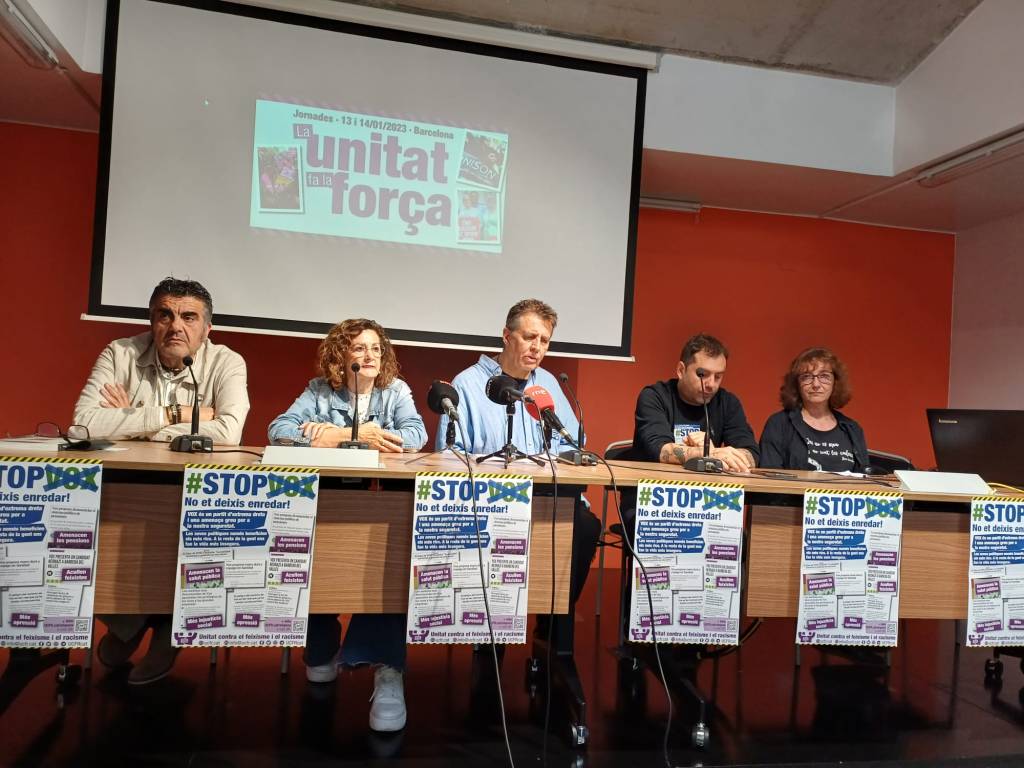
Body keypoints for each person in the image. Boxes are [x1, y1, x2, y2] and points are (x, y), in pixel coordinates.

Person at [73, 277, 250, 685]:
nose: (176, 326)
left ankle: (170, 629)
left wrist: (131, 421)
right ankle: (131, 623)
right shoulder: (120, 353)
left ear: (207, 328)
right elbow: (83, 423)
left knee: (190, 530)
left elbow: (228, 431)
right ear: (151, 320)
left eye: (189, 317)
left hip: (196, 489)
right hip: (127, 485)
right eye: (165, 315)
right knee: (104, 524)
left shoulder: (228, 362)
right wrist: (176, 415)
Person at [268, 318, 427, 732]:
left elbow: (416, 434)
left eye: (376, 348)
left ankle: (386, 666)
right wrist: (343, 434)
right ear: (340, 356)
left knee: (390, 555)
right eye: (359, 348)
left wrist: (348, 435)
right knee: (317, 543)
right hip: (328, 500)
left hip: (382, 499)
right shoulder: (319, 391)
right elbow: (279, 429)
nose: (370, 356)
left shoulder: (395, 391)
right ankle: (321, 646)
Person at [435, 299, 601, 615]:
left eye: (544, 341)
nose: (537, 347)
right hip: (489, 499)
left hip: (545, 496)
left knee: (585, 526)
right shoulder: (468, 384)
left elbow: (574, 442)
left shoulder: (547, 383)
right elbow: (449, 453)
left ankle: (554, 628)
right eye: (529, 337)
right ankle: (488, 630)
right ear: (506, 336)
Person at [632, 332, 758, 471]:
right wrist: (708, 453)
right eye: (703, 375)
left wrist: (725, 455)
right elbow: (659, 450)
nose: (711, 384)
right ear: (681, 370)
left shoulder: (727, 403)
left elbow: (752, 453)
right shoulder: (654, 396)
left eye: (718, 376)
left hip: (705, 484)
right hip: (652, 481)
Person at [759, 347, 868, 472]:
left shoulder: (852, 429)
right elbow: (769, 475)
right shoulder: (779, 424)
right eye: (807, 377)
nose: (816, 384)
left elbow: (865, 477)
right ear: (797, 384)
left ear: (835, 382)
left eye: (824, 376)